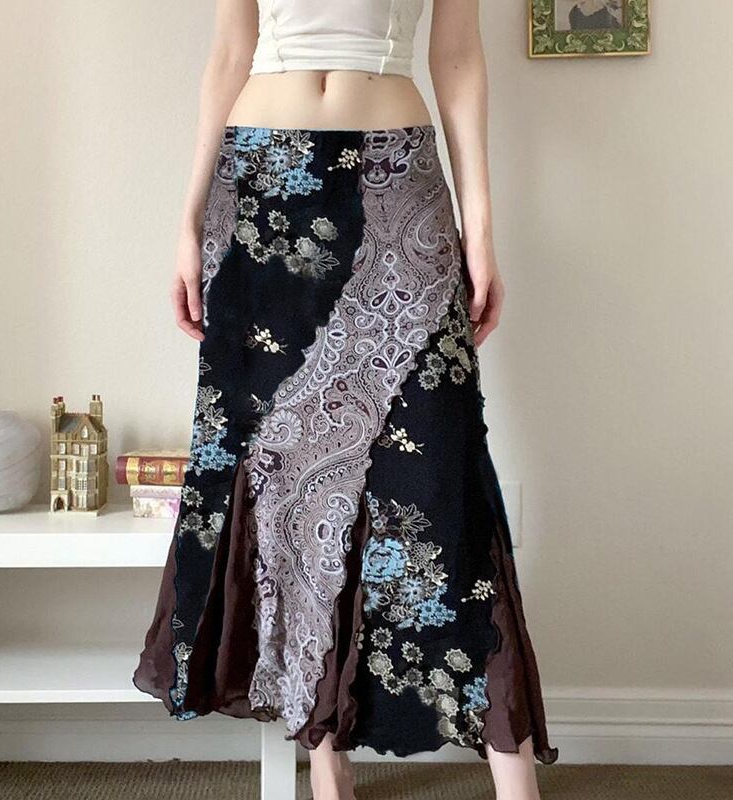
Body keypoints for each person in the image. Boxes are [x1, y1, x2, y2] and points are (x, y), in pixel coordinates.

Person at [133, 2, 559, 798]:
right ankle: (326, 765)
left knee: (443, 476)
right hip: (260, 183)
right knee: (284, 476)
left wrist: (480, 230)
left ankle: (515, 778)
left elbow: (458, 58)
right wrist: (187, 220)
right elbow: (229, 53)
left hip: (399, 173)